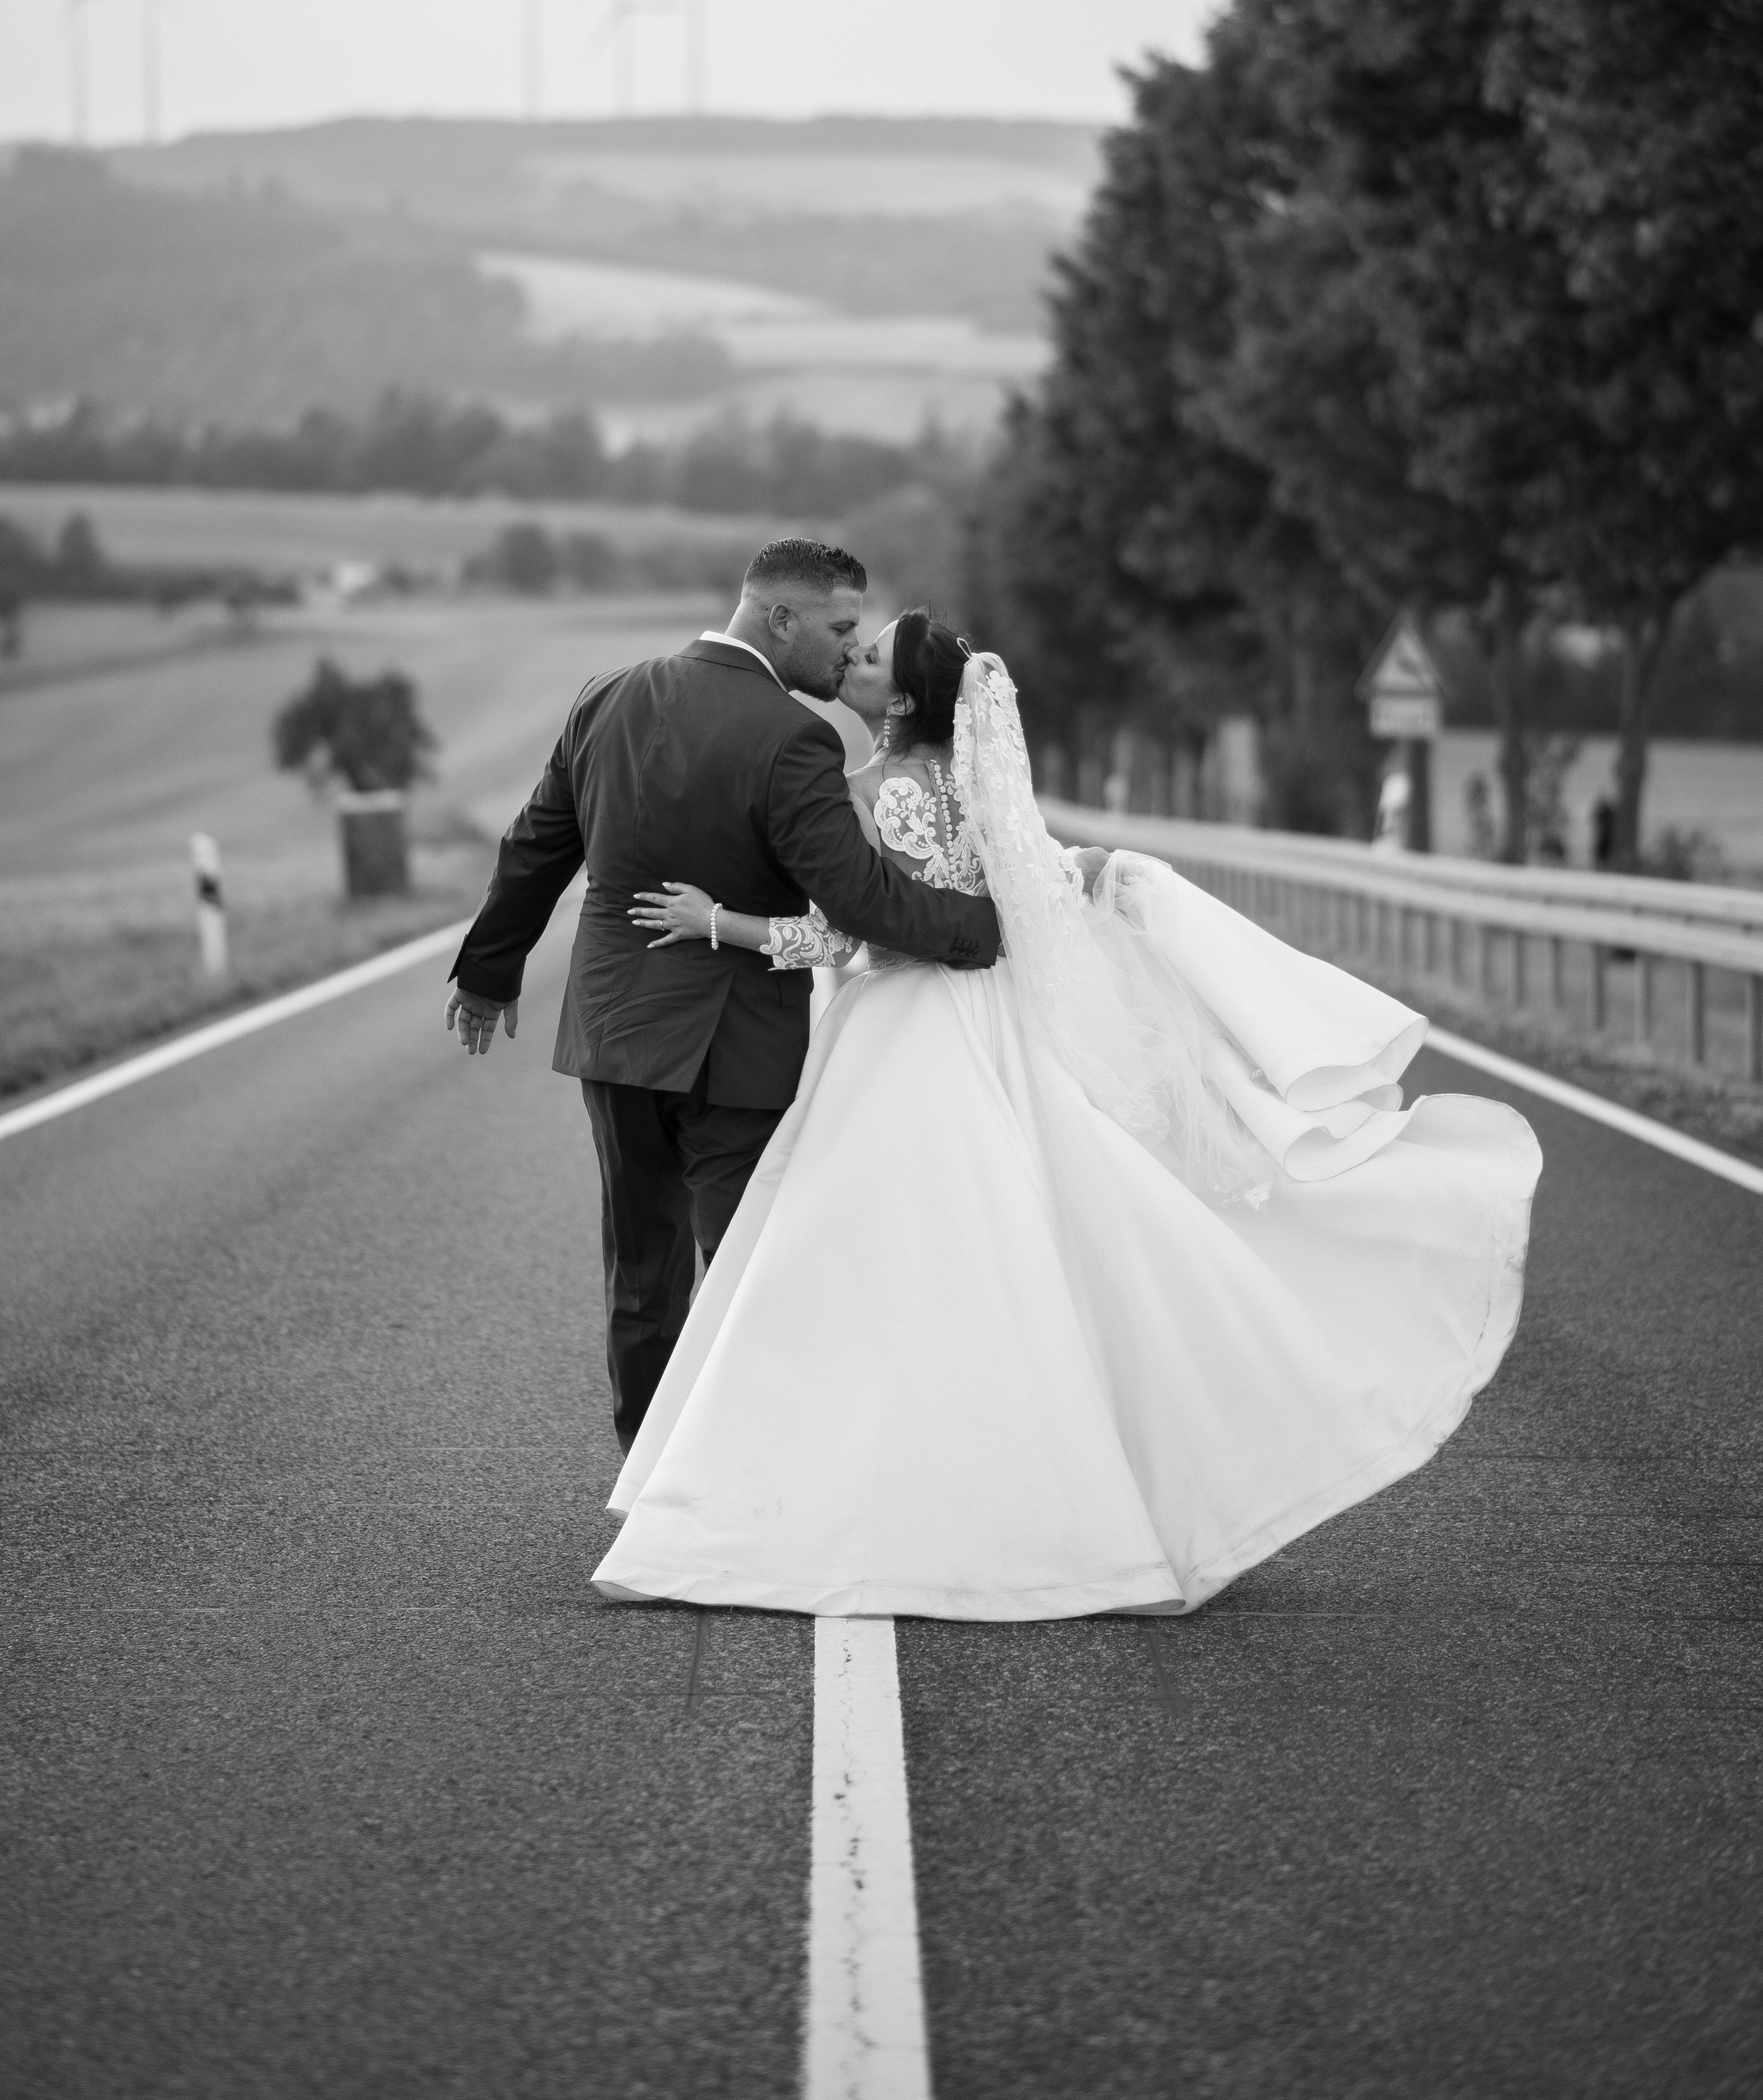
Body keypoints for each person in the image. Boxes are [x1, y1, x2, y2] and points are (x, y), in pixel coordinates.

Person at [592, 609, 1541, 1622]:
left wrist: (719, 922)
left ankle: (839, 1489)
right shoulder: (978, 792)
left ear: (902, 698)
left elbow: (862, 940)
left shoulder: (873, 793)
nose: (850, 661)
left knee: (853, 1260)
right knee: (1021, 1252)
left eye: (868, 656)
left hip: (906, 1035)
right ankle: (1031, 1489)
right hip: (995, 1026)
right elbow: (1028, 884)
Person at [443, 542, 1000, 1450]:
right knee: (745, 1270)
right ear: (778, 618)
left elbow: (537, 845)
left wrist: (485, 972)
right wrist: (985, 929)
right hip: (734, 1049)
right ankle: (738, 1478)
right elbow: (860, 900)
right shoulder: (795, 738)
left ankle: (648, 1481)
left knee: (638, 1272)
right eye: (838, 629)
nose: (844, 652)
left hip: (614, 1034)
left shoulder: (604, 695)